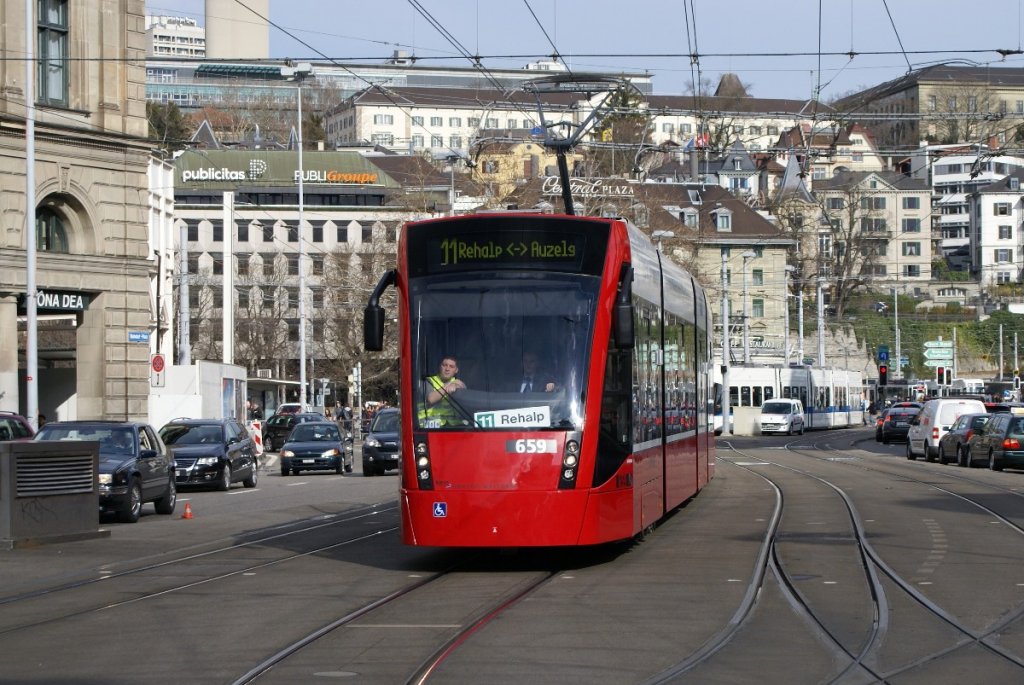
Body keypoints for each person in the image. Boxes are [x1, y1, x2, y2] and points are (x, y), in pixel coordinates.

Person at [419, 355, 466, 426]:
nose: (447, 369)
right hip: (430, 426)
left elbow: (464, 388)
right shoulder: (428, 381)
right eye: (444, 365)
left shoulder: (457, 382)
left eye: (451, 366)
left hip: (453, 426)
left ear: (456, 370)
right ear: (439, 367)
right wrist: (448, 386)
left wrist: (456, 384)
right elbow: (431, 399)